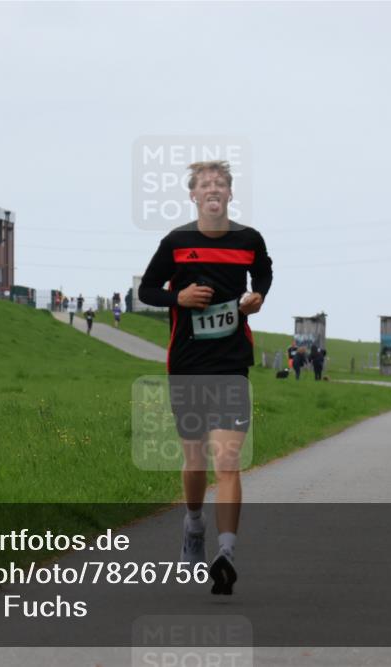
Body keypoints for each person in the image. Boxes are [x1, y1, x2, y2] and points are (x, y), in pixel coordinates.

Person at [137, 159, 272, 596]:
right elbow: (146, 290)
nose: (213, 189)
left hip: (231, 365)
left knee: (228, 462)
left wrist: (256, 297)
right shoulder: (176, 243)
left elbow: (264, 271)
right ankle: (194, 524)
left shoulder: (249, 240)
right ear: (193, 195)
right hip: (187, 366)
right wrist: (179, 297)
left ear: (230, 194)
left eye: (220, 183)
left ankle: (226, 553)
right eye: (205, 184)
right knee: (195, 460)